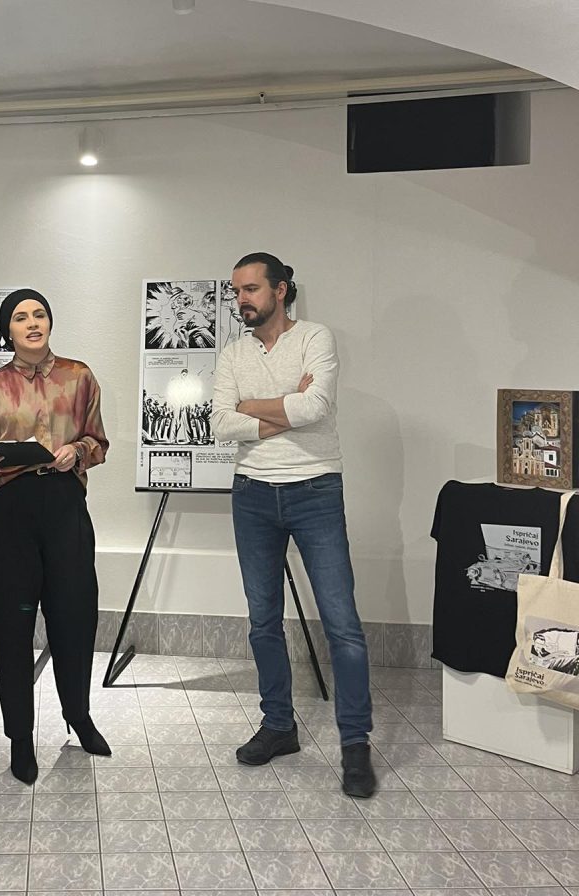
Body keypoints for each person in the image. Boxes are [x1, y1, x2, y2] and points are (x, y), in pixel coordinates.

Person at [210, 253, 375, 799]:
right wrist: (285, 406)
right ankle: (279, 726)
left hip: (315, 489)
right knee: (263, 620)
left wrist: (252, 406)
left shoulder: (315, 337)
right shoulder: (233, 353)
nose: (242, 300)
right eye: (237, 291)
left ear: (280, 290)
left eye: (251, 289)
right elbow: (220, 423)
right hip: (252, 492)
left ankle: (355, 744)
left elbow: (317, 407)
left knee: (342, 623)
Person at [0, 289, 110, 785]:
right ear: (8, 329)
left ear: (50, 322)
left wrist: (78, 451)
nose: (32, 323)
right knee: (12, 624)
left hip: (65, 505)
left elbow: (98, 441)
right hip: (11, 511)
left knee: (75, 616)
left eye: (39, 314)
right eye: (21, 317)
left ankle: (78, 714)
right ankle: (19, 738)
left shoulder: (79, 376)